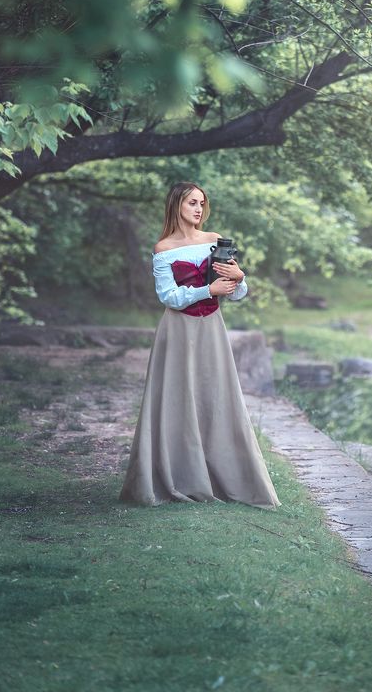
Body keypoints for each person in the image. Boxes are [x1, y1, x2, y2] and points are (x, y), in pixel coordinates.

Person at [119, 181, 280, 509]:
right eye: (192, 202)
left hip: (211, 329)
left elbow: (236, 293)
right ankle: (179, 476)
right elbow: (168, 297)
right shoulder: (164, 248)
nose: (198, 209)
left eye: (202, 203)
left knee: (216, 397)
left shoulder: (213, 241)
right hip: (177, 331)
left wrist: (240, 277)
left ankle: (224, 475)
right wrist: (209, 290)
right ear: (176, 204)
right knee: (176, 398)